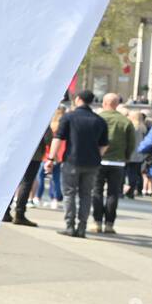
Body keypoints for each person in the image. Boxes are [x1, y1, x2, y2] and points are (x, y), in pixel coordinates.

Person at [46, 90, 108, 238]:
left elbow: (58, 138)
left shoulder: (69, 117)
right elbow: (104, 145)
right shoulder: (99, 120)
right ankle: (82, 227)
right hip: (92, 163)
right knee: (86, 195)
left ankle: (70, 226)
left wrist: (51, 159)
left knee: (69, 193)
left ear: (78, 99)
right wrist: (96, 156)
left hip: (72, 161)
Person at [92, 93, 135, 234]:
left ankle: (97, 222)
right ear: (117, 104)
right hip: (117, 162)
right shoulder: (125, 121)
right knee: (113, 193)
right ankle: (109, 224)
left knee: (97, 191)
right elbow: (131, 143)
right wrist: (126, 156)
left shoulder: (97, 119)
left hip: (98, 160)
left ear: (104, 103)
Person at [7, 122, 52, 226]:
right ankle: (19, 214)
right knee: (26, 183)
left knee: (13, 182)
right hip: (34, 155)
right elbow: (48, 138)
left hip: (17, 152)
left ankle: (5, 212)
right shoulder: (42, 117)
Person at [125, 110, 149, 199]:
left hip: (131, 152)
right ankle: (135, 189)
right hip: (139, 153)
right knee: (136, 173)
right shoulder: (143, 127)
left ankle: (130, 189)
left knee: (130, 173)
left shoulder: (132, 127)